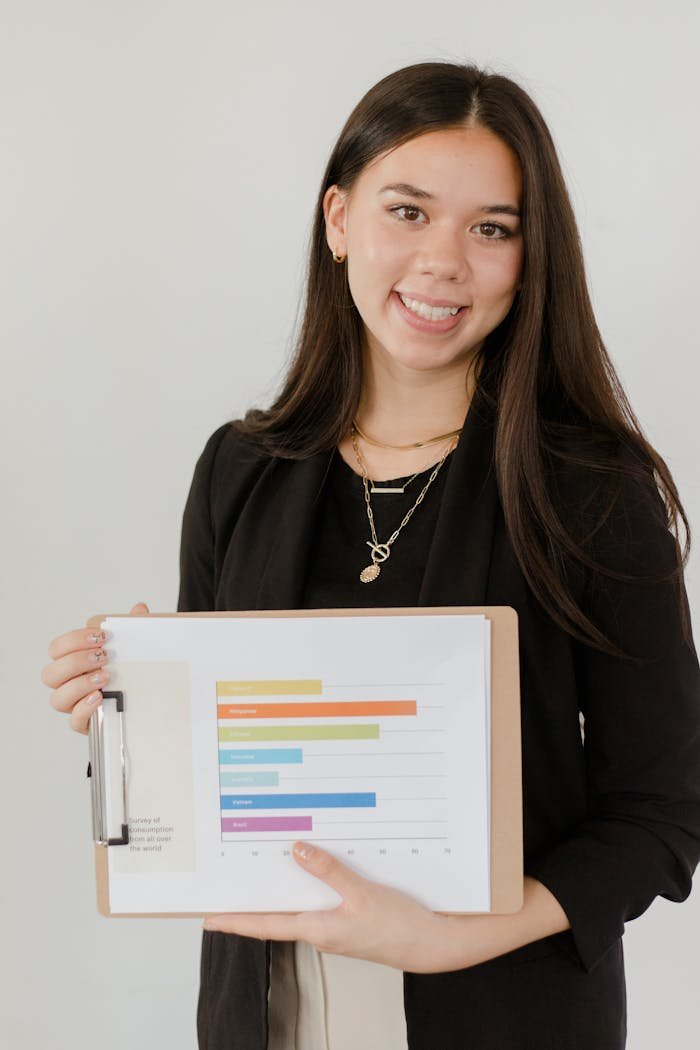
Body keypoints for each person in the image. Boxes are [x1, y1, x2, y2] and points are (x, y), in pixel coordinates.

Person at [41, 60, 700, 1050]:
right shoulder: (240, 469)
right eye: (407, 211)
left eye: (492, 228)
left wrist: (445, 937)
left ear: (528, 260)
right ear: (339, 219)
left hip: (502, 1011)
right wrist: (131, 712)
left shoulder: (587, 488)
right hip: (263, 1015)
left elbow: (661, 816)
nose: (442, 261)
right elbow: (217, 791)